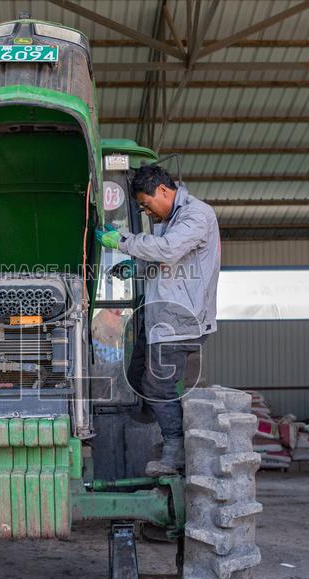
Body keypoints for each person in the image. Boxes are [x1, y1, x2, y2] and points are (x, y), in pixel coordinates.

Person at [95, 165, 221, 476]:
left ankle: (176, 447)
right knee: (136, 374)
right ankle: (164, 432)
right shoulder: (170, 220)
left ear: (163, 191)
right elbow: (166, 266)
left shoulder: (196, 215)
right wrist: (134, 268)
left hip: (180, 322)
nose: (145, 210)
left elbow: (166, 251)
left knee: (157, 385)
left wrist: (121, 241)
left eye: (145, 203)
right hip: (161, 319)